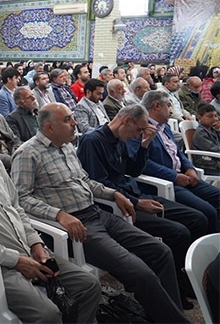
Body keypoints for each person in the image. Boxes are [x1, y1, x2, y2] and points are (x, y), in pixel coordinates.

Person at [11, 103, 188, 323]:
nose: (74, 122)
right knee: (139, 272)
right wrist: (58, 214)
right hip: (77, 226)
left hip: (96, 213)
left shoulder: (66, 147)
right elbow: (21, 198)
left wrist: (113, 193)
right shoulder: (27, 153)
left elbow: (85, 181)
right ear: (49, 126)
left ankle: (168, 313)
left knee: (160, 251)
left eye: (72, 117)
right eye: (67, 119)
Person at [0, 108, 101, 323]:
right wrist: (16, 260)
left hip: (28, 249)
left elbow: (17, 209)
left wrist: (35, 243)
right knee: (48, 315)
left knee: (89, 286)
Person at [77, 104, 208, 308]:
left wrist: (144, 145)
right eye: (138, 130)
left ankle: (183, 277)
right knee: (178, 232)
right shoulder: (92, 141)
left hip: (135, 194)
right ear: (126, 121)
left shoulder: (120, 139)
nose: (137, 135)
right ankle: (174, 288)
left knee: (197, 218)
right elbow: (100, 184)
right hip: (118, 205)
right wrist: (137, 203)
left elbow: (133, 171)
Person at [127, 90, 220, 234]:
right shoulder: (141, 129)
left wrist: (189, 168)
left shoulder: (165, 127)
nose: (171, 110)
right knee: (207, 212)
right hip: (166, 182)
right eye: (168, 105)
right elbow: (143, 164)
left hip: (185, 175)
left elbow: (178, 153)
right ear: (157, 106)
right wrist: (174, 176)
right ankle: (206, 246)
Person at [192, 103, 220, 175]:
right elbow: (213, 149)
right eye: (210, 116)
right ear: (199, 118)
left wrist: (218, 129)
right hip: (207, 163)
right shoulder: (200, 133)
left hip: (216, 159)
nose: (215, 119)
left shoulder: (212, 129)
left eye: (216, 116)